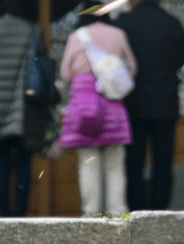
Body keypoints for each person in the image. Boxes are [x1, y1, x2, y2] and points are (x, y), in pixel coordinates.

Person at [0, 0, 48, 215]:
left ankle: (3, 215)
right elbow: (42, 58)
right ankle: (21, 215)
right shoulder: (32, 30)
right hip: (24, 107)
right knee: (24, 162)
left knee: (1, 161)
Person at [118, 0, 184, 209]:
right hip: (165, 102)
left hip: (133, 103)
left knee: (133, 163)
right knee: (163, 163)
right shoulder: (172, 24)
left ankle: (135, 211)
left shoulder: (124, 23)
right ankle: (160, 214)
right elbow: (179, 61)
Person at [57, 13, 136, 216]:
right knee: (115, 164)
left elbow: (66, 73)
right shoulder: (118, 34)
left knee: (88, 163)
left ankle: (91, 213)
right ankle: (117, 211)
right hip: (111, 100)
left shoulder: (77, 36)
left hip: (84, 104)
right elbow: (132, 69)